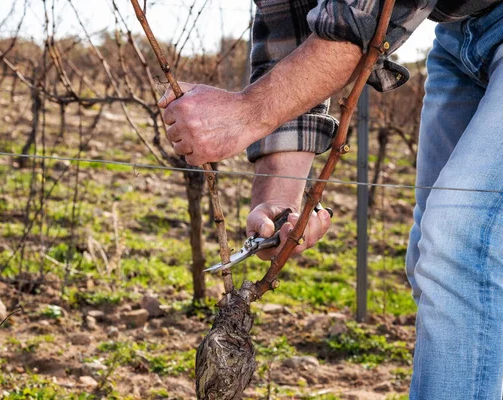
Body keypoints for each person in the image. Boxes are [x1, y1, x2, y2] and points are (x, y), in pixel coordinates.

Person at [159, 0, 503, 398]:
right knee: (435, 264)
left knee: (459, 251)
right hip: (460, 36)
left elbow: (365, 20)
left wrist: (249, 111)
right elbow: (291, 20)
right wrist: (280, 196)